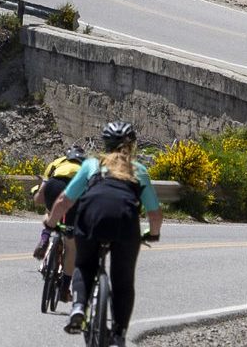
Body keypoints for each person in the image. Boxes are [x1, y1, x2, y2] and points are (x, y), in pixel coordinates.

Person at [44, 121, 162, 347]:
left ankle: (78, 307)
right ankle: (119, 334)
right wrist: (152, 234)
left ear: (105, 145)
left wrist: (50, 224)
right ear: (133, 146)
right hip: (125, 224)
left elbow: (64, 201)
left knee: (84, 265)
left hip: (90, 218)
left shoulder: (91, 165)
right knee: (123, 280)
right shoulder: (139, 171)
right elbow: (155, 214)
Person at [32, 145, 89, 301]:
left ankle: (45, 237)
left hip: (54, 185)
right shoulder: (87, 167)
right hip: (77, 189)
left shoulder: (56, 163)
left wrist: (36, 197)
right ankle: (64, 289)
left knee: (50, 213)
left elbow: (39, 198)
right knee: (72, 247)